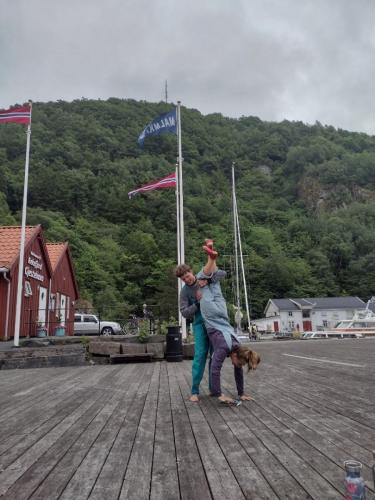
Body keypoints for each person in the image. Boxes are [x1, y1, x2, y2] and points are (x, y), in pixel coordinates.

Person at [196, 239, 260, 404]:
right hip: (211, 314)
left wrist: (241, 393)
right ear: (237, 357)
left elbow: (237, 370)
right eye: (238, 364)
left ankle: (211, 253)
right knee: (200, 280)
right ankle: (211, 258)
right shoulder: (224, 348)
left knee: (213, 281)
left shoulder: (239, 344)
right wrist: (219, 394)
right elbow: (214, 370)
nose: (237, 366)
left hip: (223, 312)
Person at [175, 263, 212, 402]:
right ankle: (195, 390)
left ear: (192, 271)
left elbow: (219, 276)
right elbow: (184, 312)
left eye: (188, 276)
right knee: (200, 355)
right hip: (199, 324)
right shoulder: (184, 292)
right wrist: (197, 304)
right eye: (183, 279)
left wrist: (208, 281)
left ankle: (214, 388)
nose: (187, 279)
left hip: (213, 322)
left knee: (215, 355)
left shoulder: (204, 280)